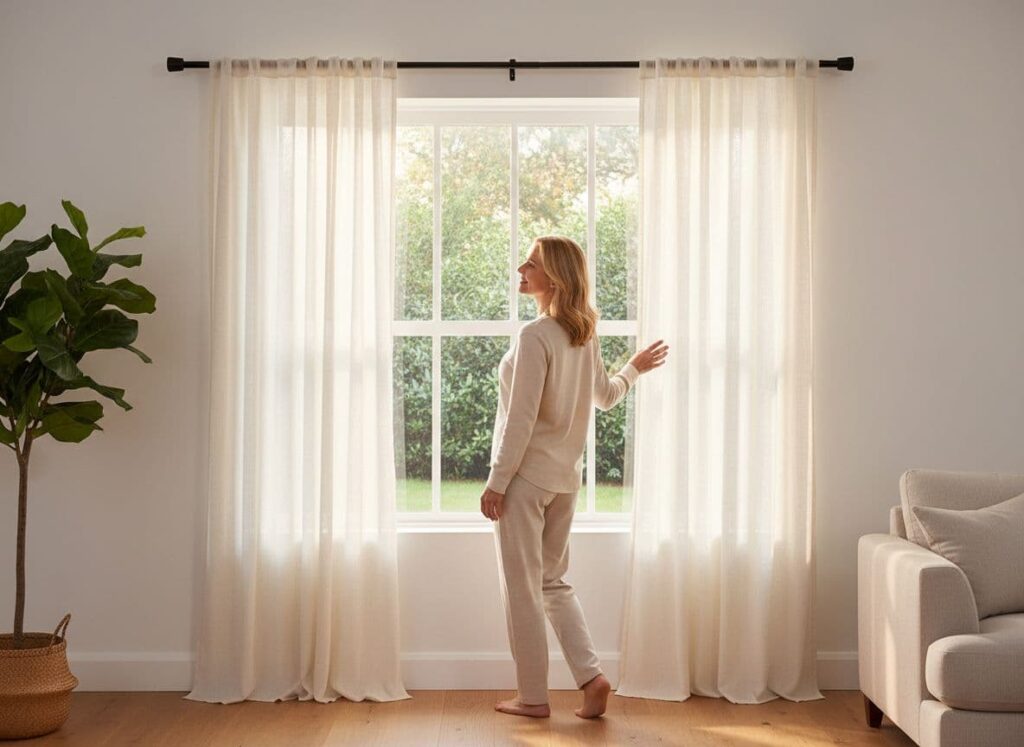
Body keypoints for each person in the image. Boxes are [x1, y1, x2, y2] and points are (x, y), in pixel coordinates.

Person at [480, 236, 668, 719]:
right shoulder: (582, 333)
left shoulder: (535, 335)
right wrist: (634, 368)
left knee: (523, 590)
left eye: (533, 264)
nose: (521, 268)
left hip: (524, 481)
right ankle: (592, 677)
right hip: (564, 480)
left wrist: (497, 482)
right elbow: (605, 395)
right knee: (552, 583)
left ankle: (533, 697)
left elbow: (520, 419)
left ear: (555, 278)